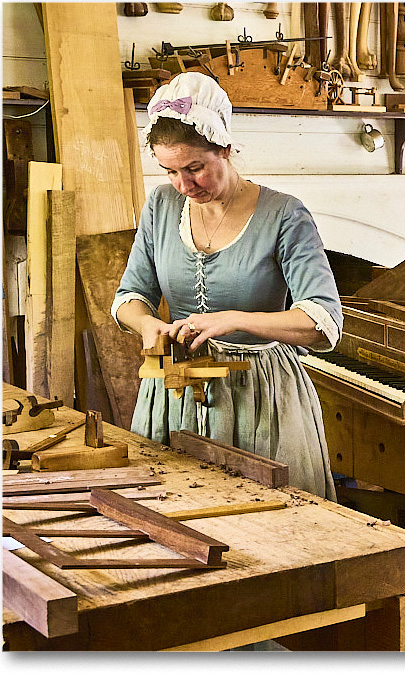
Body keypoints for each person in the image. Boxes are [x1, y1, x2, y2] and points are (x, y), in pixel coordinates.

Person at [113, 72, 343, 501]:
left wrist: (235, 320)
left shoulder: (285, 215)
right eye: (171, 171)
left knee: (277, 528)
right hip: (175, 394)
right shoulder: (162, 206)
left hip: (260, 397)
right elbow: (129, 298)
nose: (184, 185)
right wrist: (146, 326)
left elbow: (323, 323)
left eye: (195, 168)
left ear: (224, 148)